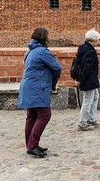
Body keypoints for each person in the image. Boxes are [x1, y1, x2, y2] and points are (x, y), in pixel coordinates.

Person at [18, 27, 62, 158]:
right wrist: (54, 78)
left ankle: (31, 144)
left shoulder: (30, 51)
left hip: (28, 86)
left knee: (31, 116)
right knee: (44, 115)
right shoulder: (42, 52)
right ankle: (32, 146)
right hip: (38, 87)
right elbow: (57, 67)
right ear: (44, 38)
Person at [75, 29, 100, 131]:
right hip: (89, 79)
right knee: (88, 100)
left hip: (89, 79)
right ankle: (82, 123)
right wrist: (81, 79)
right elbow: (87, 68)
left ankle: (91, 118)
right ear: (93, 40)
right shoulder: (90, 51)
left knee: (95, 97)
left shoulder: (82, 49)